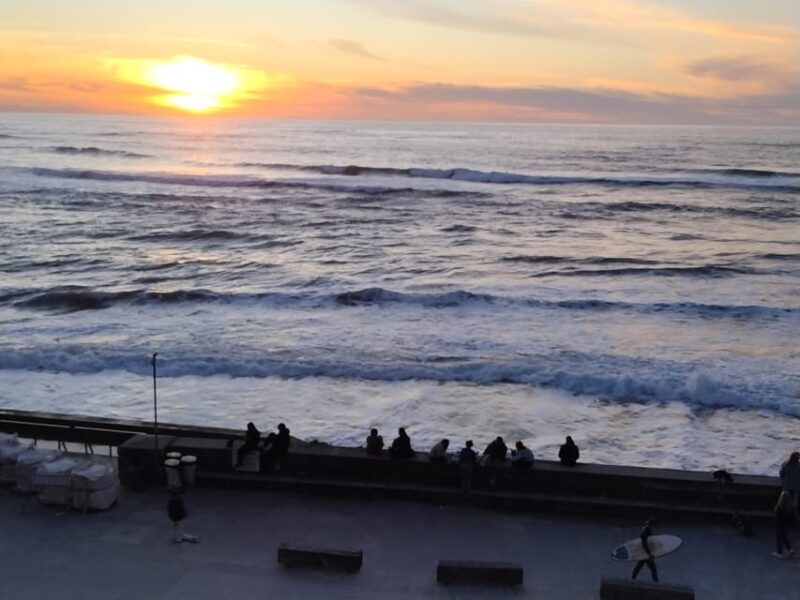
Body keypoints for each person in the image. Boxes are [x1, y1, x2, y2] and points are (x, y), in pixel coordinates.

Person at [631, 518, 658, 582]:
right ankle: (656, 581)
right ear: (652, 525)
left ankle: (633, 578)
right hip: (646, 553)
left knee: (639, 566)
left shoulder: (646, 528)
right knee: (653, 569)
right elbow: (644, 543)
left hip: (643, 552)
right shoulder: (646, 531)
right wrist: (649, 554)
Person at [774, 491, 795, 558]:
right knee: (784, 537)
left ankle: (780, 552)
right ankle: (790, 549)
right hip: (786, 524)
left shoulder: (779, 506)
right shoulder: (789, 507)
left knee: (778, 538)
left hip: (779, 524)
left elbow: (777, 514)